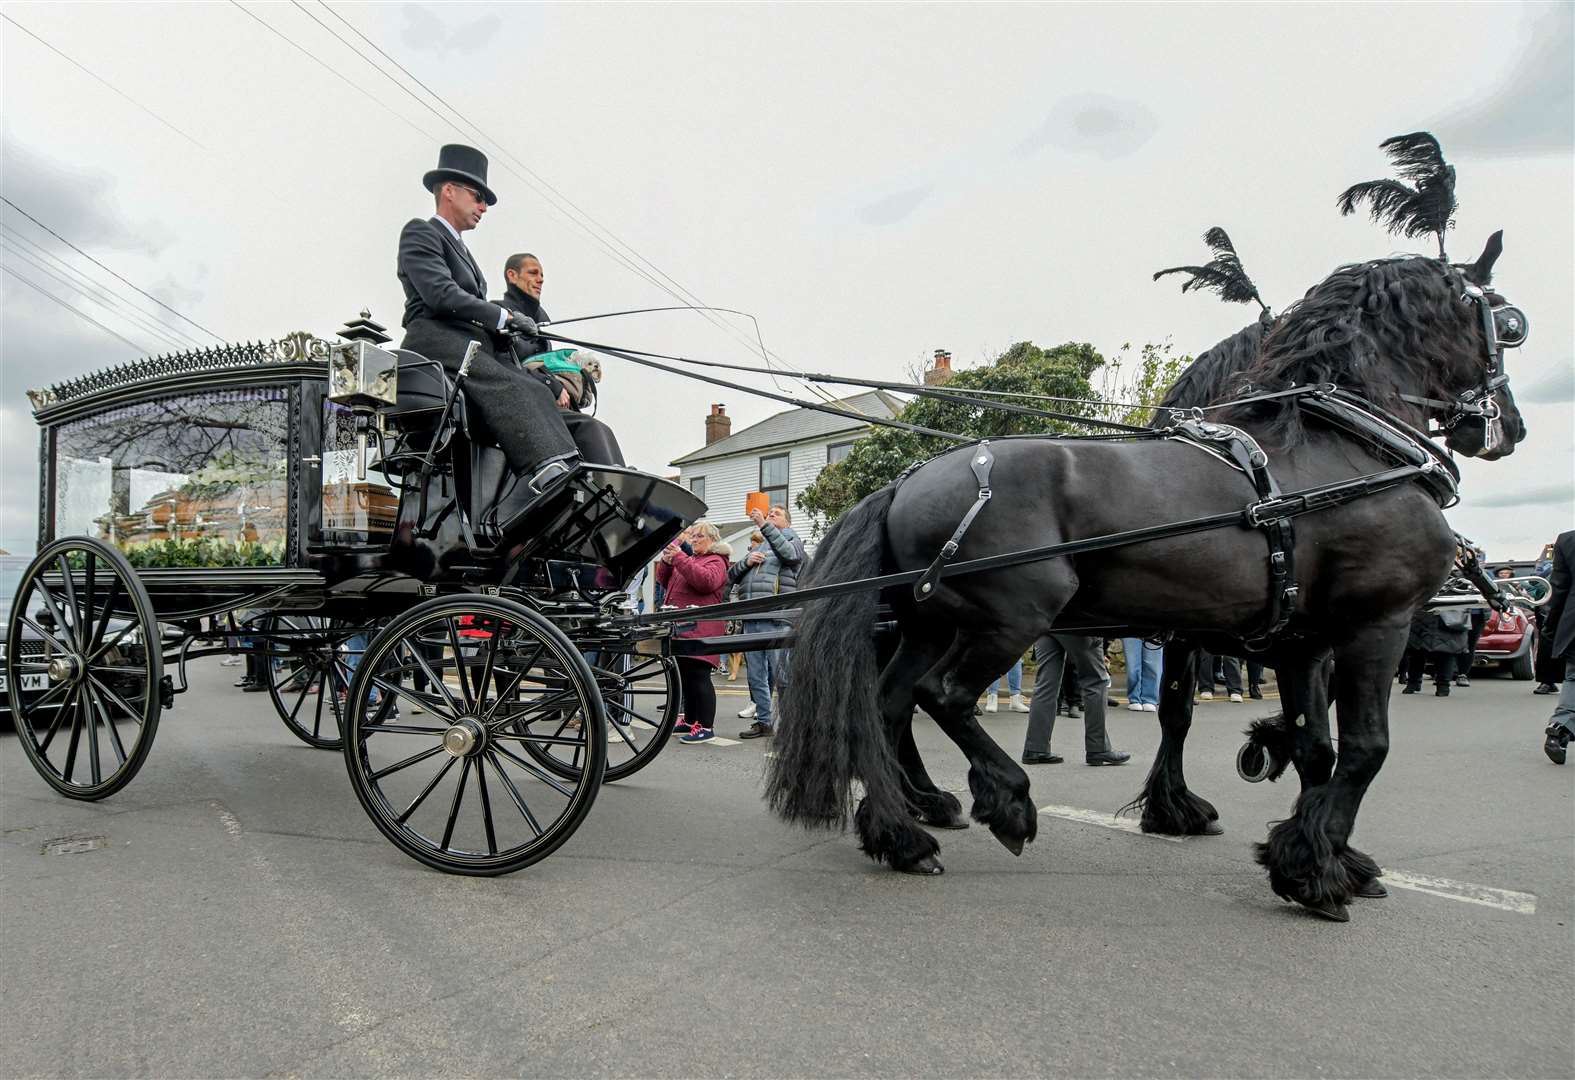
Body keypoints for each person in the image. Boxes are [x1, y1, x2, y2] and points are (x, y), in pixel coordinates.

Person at [396, 144, 578, 493]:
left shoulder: (465, 253)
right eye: (478, 197)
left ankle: (574, 463)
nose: (483, 207)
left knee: (535, 386)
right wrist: (503, 315)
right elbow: (441, 295)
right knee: (516, 385)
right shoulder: (420, 233)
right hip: (434, 339)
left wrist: (507, 329)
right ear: (448, 190)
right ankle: (545, 472)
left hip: (466, 342)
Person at [496, 252, 624, 466]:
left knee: (598, 428)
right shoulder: (501, 314)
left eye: (542, 275)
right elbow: (504, 365)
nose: (540, 279)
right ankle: (613, 483)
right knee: (589, 428)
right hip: (523, 401)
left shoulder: (541, 320)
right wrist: (550, 384)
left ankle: (618, 478)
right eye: (533, 273)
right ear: (512, 275)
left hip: (546, 400)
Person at [728, 504, 806, 739]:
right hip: (753, 618)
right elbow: (731, 576)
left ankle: (792, 725)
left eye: (777, 514)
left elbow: (790, 556)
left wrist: (764, 524)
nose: (771, 515)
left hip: (778, 618)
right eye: (769, 513)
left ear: (788, 523)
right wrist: (746, 562)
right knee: (755, 677)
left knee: (783, 677)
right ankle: (764, 722)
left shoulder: (793, 541)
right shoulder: (759, 546)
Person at [654, 521, 732, 744]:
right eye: (694, 536)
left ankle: (706, 726)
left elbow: (705, 582)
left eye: (700, 536)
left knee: (699, 678)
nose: (694, 539)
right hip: (684, 629)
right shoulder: (694, 559)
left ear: (713, 540)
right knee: (687, 679)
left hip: (701, 629)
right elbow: (663, 581)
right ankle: (689, 720)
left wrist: (679, 558)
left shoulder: (717, 560)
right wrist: (668, 563)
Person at [1021, 633, 1131, 766]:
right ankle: (1098, 749)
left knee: (1045, 684)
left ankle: (1035, 748)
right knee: (1095, 681)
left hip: (1049, 622)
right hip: (1078, 624)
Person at [1540, 530, 1575, 764]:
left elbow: (1558, 589)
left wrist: (1550, 625)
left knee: (1574, 677)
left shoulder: (1568, 540)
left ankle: (1560, 726)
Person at [1401, 607, 1469, 696]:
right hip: (1428, 616)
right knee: (1417, 652)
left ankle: (1441, 685)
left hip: (1446, 617)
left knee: (1444, 654)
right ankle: (1415, 683)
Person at [1120, 637, 1162, 712]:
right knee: (1132, 664)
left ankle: (1149, 699)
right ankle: (1134, 698)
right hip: (1131, 627)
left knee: (1153, 664)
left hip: (1155, 626)